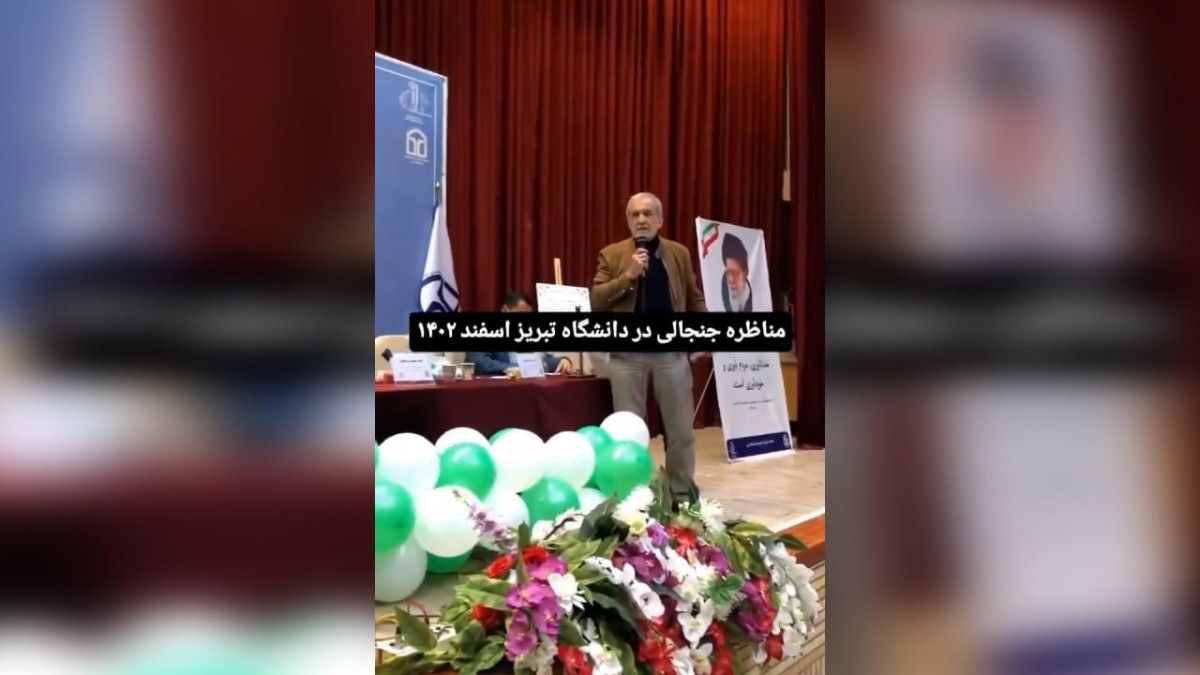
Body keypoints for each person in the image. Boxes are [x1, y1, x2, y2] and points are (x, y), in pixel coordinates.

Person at [591, 192, 706, 496]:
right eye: (634, 214)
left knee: (680, 431)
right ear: (628, 220)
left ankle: (681, 493)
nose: (641, 220)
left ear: (660, 219)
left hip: (671, 354)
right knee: (629, 433)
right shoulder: (612, 254)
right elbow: (596, 300)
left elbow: (693, 297)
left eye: (647, 213)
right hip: (626, 357)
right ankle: (634, 495)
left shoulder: (678, 253)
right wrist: (628, 276)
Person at [466, 291, 573, 375]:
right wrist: (517, 369)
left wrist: (563, 361)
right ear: (505, 310)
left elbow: (542, 362)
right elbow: (479, 363)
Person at [720, 233, 754, 312]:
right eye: (728, 272)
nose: (731, 279)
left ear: (745, 273)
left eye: (736, 273)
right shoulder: (723, 288)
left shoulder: (750, 297)